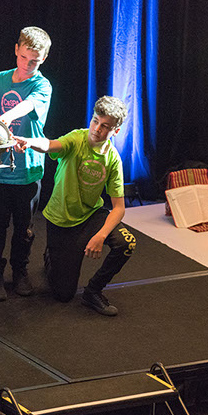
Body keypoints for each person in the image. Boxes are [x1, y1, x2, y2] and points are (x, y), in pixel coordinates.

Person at [16, 96, 136, 316]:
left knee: (126, 243)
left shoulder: (113, 159)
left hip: (91, 215)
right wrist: (29, 141)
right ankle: (51, 256)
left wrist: (100, 236)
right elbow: (50, 145)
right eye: (95, 121)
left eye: (105, 126)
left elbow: (119, 208)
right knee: (63, 294)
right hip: (62, 219)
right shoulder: (77, 138)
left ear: (116, 131)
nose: (97, 129)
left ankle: (93, 291)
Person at [0, 27, 52, 301]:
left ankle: (20, 271)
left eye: (34, 61)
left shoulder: (42, 85)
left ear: (43, 59)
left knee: (25, 228)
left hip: (28, 170)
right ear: (16, 50)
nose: (27, 64)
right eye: (23, 57)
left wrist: (7, 116)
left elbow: (29, 105)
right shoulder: (0, 79)